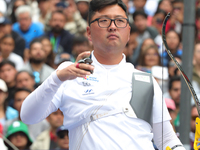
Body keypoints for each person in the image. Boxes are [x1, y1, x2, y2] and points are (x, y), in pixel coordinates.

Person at [21, 0, 185, 149]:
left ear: (128, 32)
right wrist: (57, 78)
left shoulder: (145, 81)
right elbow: (28, 116)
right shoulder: (69, 73)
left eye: (120, 21)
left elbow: (167, 140)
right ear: (89, 32)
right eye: (104, 20)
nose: (112, 26)